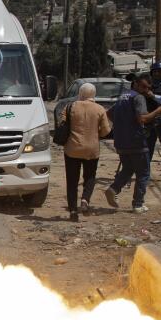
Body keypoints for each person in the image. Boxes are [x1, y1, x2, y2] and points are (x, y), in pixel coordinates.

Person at [105, 73, 161, 214]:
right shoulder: (138, 98)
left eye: (148, 88)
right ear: (136, 84)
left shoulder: (123, 96)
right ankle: (138, 204)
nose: (146, 90)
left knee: (128, 169)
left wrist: (123, 125)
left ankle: (113, 188)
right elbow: (143, 119)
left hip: (121, 141)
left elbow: (109, 113)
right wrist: (158, 111)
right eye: (144, 87)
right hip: (137, 141)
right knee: (144, 173)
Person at [61, 82, 111, 222]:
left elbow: (62, 123)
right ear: (93, 94)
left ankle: (72, 211)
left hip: (72, 149)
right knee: (90, 177)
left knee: (72, 181)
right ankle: (85, 199)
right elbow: (106, 131)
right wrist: (96, 134)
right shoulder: (100, 109)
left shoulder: (70, 107)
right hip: (92, 149)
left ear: (80, 93)